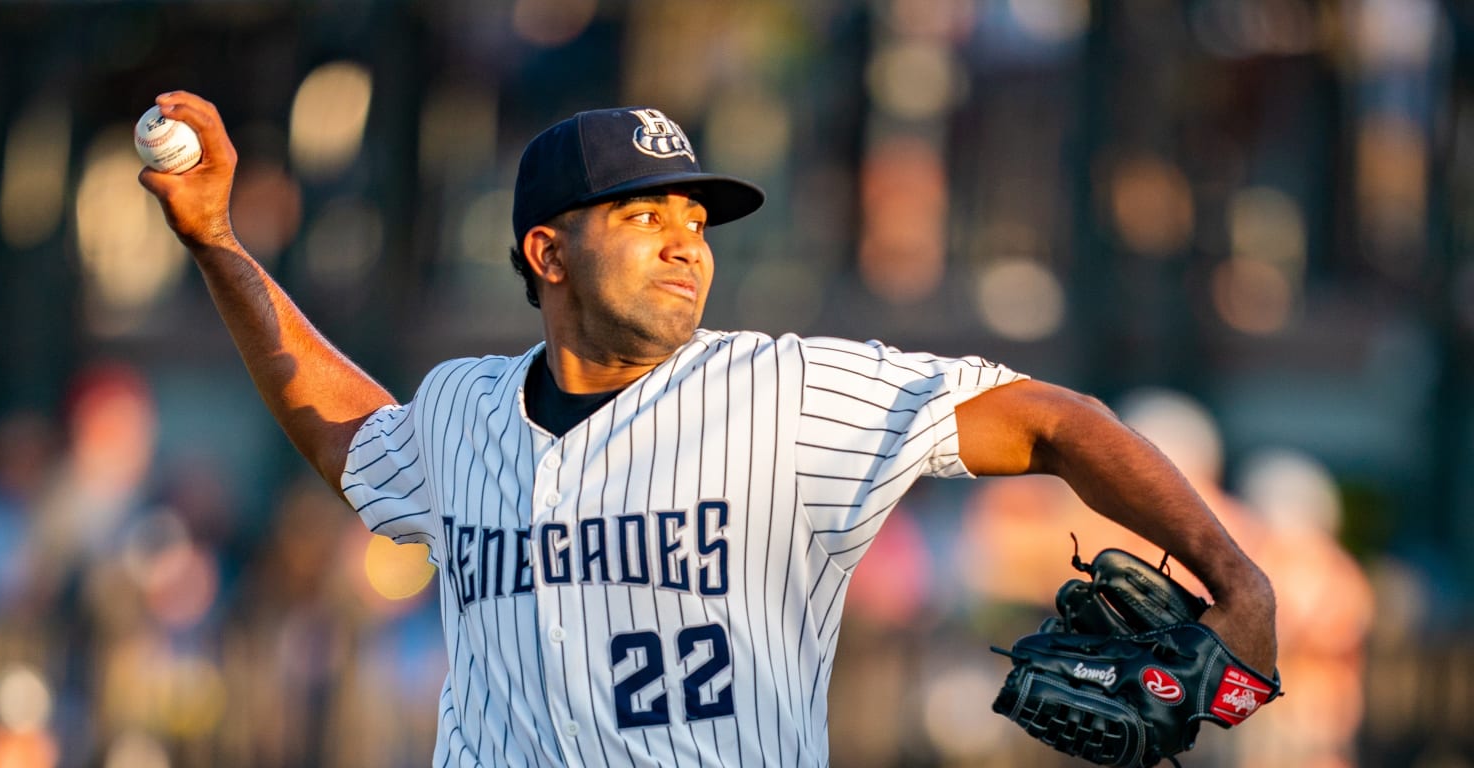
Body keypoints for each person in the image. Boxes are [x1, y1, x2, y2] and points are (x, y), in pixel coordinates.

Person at [139, 91, 1278, 767]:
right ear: (549, 254)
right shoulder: (462, 409)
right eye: (644, 216)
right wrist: (217, 244)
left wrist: (1236, 577)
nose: (688, 243)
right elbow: (347, 437)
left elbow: (1054, 422)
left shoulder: (785, 393)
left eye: (695, 219)